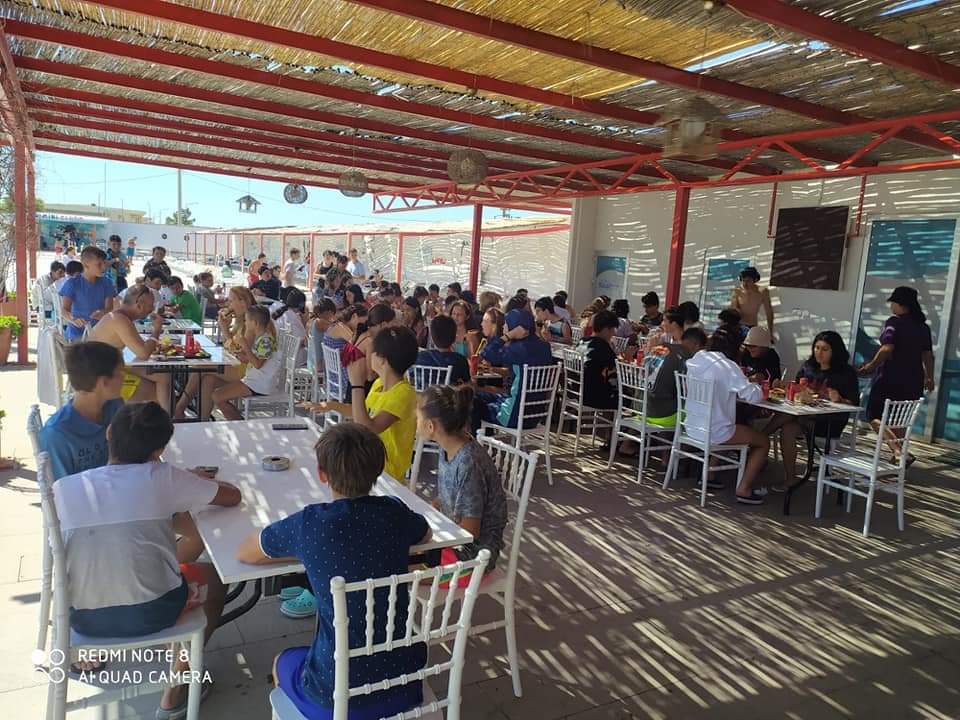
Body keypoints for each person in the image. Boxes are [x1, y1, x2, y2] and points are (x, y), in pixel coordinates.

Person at [54, 401, 240, 718]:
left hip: (80, 617)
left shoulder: (63, 489)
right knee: (216, 578)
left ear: (109, 433)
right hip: (154, 614)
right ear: (159, 451)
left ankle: (172, 652)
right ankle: (174, 690)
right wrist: (194, 481)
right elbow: (232, 496)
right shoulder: (163, 477)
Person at [236, 423, 430, 718]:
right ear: (378, 471)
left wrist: (306, 553)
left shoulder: (309, 524)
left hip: (335, 695)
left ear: (322, 474)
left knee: (281, 661)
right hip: (405, 684)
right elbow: (425, 534)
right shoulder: (393, 511)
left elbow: (245, 553)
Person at [418, 384, 507, 578]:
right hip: (454, 542)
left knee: (401, 570)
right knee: (399, 553)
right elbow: (451, 495)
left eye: (418, 417)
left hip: (473, 557)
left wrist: (433, 537)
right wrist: (434, 507)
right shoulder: (449, 446)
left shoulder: (468, 463)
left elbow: (469, 533)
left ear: (431, 426)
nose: (415, 421)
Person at [314, 326, 420, 481]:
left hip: (387, 476)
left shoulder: (404, 393)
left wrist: (357, 384)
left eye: (373, 352)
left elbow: (367, 429)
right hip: (368, 467)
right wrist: (331, 405)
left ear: (382, 360)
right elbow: (362, 413)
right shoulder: (379, 384)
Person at [681, 328, 769, 505]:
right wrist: (755, 384)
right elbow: (753, 397)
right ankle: (744, 489)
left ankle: (709, 474)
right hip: (715, 431)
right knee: (763, 442)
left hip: (692, 426)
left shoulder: (695, 360)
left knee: (734, 428)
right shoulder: (727, 366)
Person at [766, 331, 860, 490]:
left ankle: (760, 438)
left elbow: (855, 403)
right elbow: (797, 388)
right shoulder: (808, 367)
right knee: (787, 428)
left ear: (835, 351)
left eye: (825, 349)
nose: (819, 353)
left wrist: (841, 399)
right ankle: (791, 478)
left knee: (787, 416)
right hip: (803, 416)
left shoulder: (846, 373)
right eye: (817, 348)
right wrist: (786, 386)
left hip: (829, 422)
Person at [859, 286, 934, 462]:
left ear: (901, 304)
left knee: (874, 416)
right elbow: (928, 355)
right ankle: (898, 461)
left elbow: (887, 348)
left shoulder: (894, 322)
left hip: (889, 378)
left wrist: (871, 366)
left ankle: (900, 452)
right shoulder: (923, 327)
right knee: (900, 419)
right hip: (913, 380)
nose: (891, 306)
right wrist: (930, 377)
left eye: (892, 302)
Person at [38, 342, 125, 479]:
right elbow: (60, 488)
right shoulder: (57, 434)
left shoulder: (115, 406)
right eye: (120, 373)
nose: (124, 378)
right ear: (104, 382)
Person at [175, 286, 257, 420]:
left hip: (248, 371)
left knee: (201, 366)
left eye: (231, 301)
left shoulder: (251, 322)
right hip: (236, 365)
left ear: (242, 302)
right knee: (208, 380)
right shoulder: (240, 320)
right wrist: (226, 327)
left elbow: (241, 353)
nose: (228, 304)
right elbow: (229, 347)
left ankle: (180, 407)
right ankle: (203, 420)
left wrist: (224, 329)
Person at [87, 285, 170, 404]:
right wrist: (157, 330)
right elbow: (143, 354)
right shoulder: (119, 320)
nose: (152, 309)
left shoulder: (119, 316)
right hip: (101, 378)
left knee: (163, 376)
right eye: (150, 305)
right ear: (139, 305)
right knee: (155, 391)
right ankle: (164, 414)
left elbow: (140, 348)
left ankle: (169, 413)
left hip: (108, 367)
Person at [478, 309, 553, 429]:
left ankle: (474, 439)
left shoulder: (518, 349)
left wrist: (508, 336)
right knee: (480, 396)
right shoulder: (545, 346)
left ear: (516, 327)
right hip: (534, 415)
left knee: (472, 404)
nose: (503, 326)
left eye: (506, 323)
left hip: (513, 415)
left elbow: (486, 353)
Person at [212, 305, 282, 420]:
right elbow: (247, 359)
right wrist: (237, 351)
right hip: (253, 380)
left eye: (246, 320)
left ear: (255, 323)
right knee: (215, 391)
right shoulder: (260, 337)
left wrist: (245, 346)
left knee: (217, 396)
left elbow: (258, 364)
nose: (245, 323)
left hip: (259, 384)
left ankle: (239, 423)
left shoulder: (266, 340)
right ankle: (237, 422)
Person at [59, 246, 117, 341]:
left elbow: (109, 308)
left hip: (101, 331)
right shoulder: (73, 283)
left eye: (104, 263)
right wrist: (73, 319)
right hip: (77, 333)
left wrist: (103, 312)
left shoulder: (107, 283)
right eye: (99, 264)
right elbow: (64, 310)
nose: (103, 267)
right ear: (85, 265)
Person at [578, 309, 619, 411]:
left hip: (577, 392)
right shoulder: (602, 346)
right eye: (612, 329)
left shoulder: (582, 341)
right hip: (593, 397)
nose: (613, 333)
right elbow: (616, 367)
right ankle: (615, 421)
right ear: (605, 329)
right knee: (625, 397)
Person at [416, 315, 471, 385]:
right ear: (454, 337)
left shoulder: (420, 357)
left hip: (423, 392)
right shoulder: (460, 360)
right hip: (448, 392)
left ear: (432, 337)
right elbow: (467, 383)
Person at [731, 266, 774, 337]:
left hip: (752, 326)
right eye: (743, 281)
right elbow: (733, 310)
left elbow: (769, 312)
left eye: (748, 281)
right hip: (738, 325)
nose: (745, 284)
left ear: (755, 280)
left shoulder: (762, 291)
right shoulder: (737, 291)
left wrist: (770, 332)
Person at [271, 288, 308, 366]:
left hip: (281, 355)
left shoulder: (283, 314)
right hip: (294, 358)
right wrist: (306, 322)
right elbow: (301, 342)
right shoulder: (293, 318)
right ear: (301, 305)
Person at [307, 298, 337, 374]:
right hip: (319, 364)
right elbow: (337, 329)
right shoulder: (320, 322)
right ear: (328, 312)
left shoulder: (311, 321)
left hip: (312, 362)